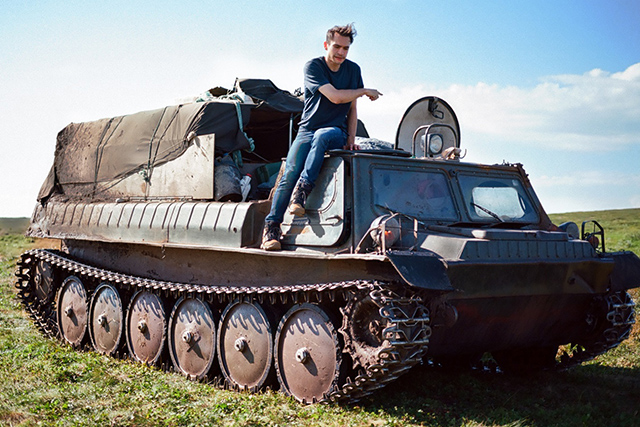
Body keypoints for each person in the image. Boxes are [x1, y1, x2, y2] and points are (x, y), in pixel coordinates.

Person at [261, 23, 382, 251]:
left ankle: (302, 192)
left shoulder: (353, 70)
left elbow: (352, 108)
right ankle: (271, 228)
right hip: (307, 129)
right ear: (326, 45)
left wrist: (351, 140)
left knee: (323, 135)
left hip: (335, 130)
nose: (341, 53)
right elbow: (335, 97)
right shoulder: (313, 67)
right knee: (289, 173)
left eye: (346, 49)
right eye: (337, 47)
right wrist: (364, 91)